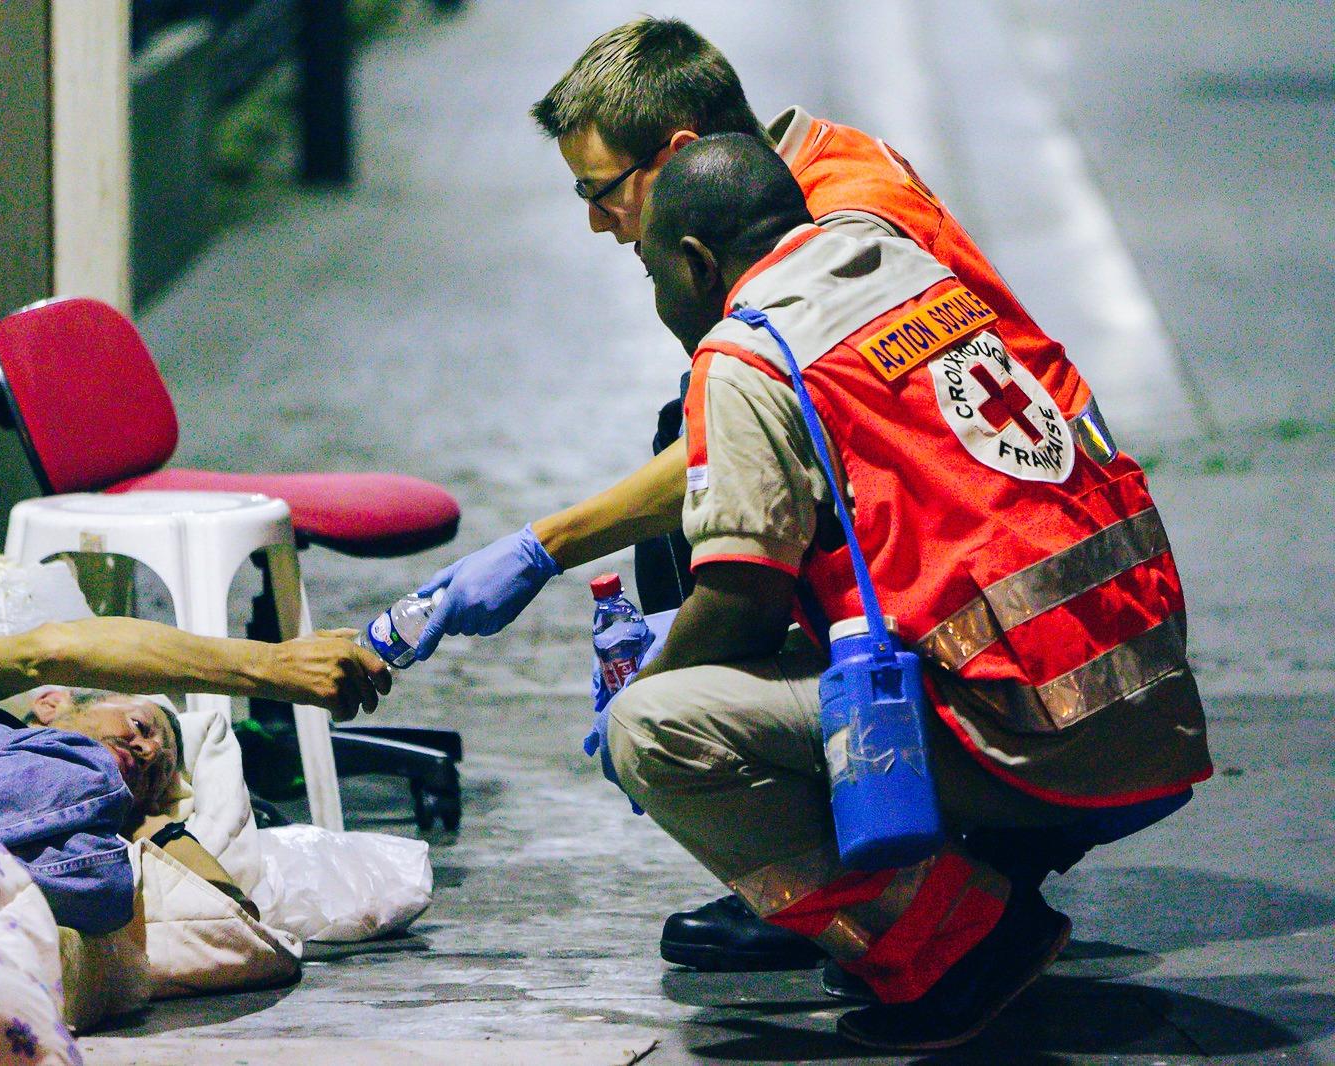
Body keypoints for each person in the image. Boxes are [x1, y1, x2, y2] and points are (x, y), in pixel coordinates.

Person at [410, 15, 1127, 975]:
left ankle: (915, 895)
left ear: (676, 158)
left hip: (1034, 658)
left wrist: (556, 556)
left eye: (600, 191)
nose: (597, 223)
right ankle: (882, 838)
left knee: (695, 593)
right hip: (1086, 634)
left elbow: (755, 464)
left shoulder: (836, 232)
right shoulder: (818, 174)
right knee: (697, 460)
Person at [594, 132, 1210, 1050]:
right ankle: (993, 868)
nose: (655, 297)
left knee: (659, 732)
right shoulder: (907, 262)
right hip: (1157, 713)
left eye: (650, 271)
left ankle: (961, 949)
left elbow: (740, 599)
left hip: (1038, 747)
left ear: (692, 261)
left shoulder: (749, 351)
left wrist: (635, 698)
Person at [0, 616, 391, 932]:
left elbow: (229, 917)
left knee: (106, 890)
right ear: (52, 703)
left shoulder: (78, 817)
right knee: (91, 782)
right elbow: (45, 651)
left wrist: (145, 820)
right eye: (142, 725)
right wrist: (269, 666)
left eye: (155, 770)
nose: (146, 750)